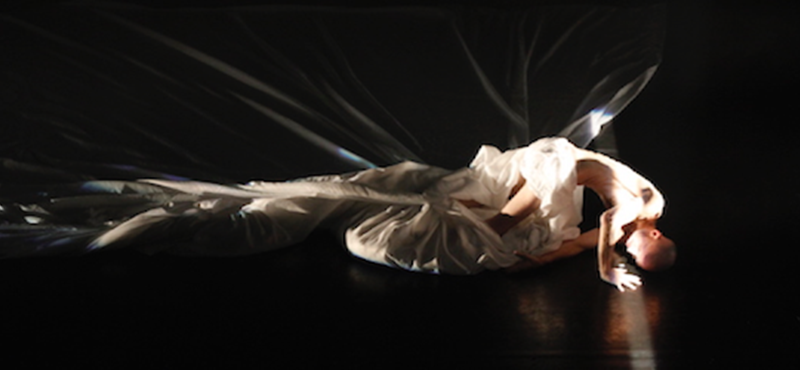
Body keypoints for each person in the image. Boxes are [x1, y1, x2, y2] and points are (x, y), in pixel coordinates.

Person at [0, 137, 673, 290]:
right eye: (638, 244)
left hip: (500, 190)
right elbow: (567, 178)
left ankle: (192, 218)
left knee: (346, 202)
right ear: (653, 229)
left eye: (628, 251)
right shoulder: (644, 202)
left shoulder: (618, 227)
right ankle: (199, 212)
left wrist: (588, 263)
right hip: (519, 176)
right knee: (350, 193)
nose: (622, 242)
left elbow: (578, 241)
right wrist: (496, 224)